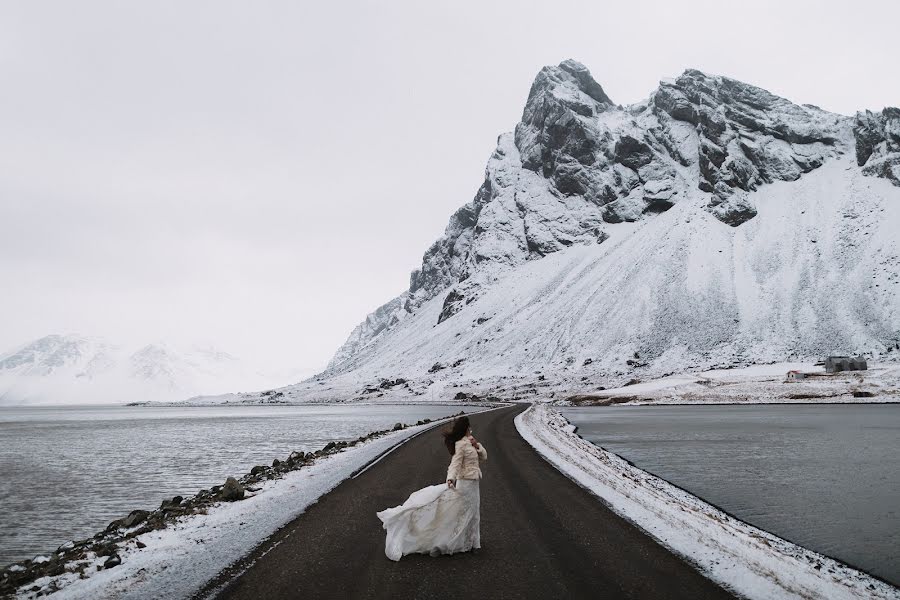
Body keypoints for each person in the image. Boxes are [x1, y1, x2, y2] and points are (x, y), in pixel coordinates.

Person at [376, 415, 487, 561]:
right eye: (469, 427)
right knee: (462, 514)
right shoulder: (460, 444)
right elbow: (454, 463)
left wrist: (477, 445)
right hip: (464, 483)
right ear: (465, 428)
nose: (470, 429)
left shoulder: (472, 442)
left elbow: (484, 457)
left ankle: (474, 543)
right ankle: (447, 544)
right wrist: (450, 478)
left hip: (474, 483)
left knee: (474, 514)